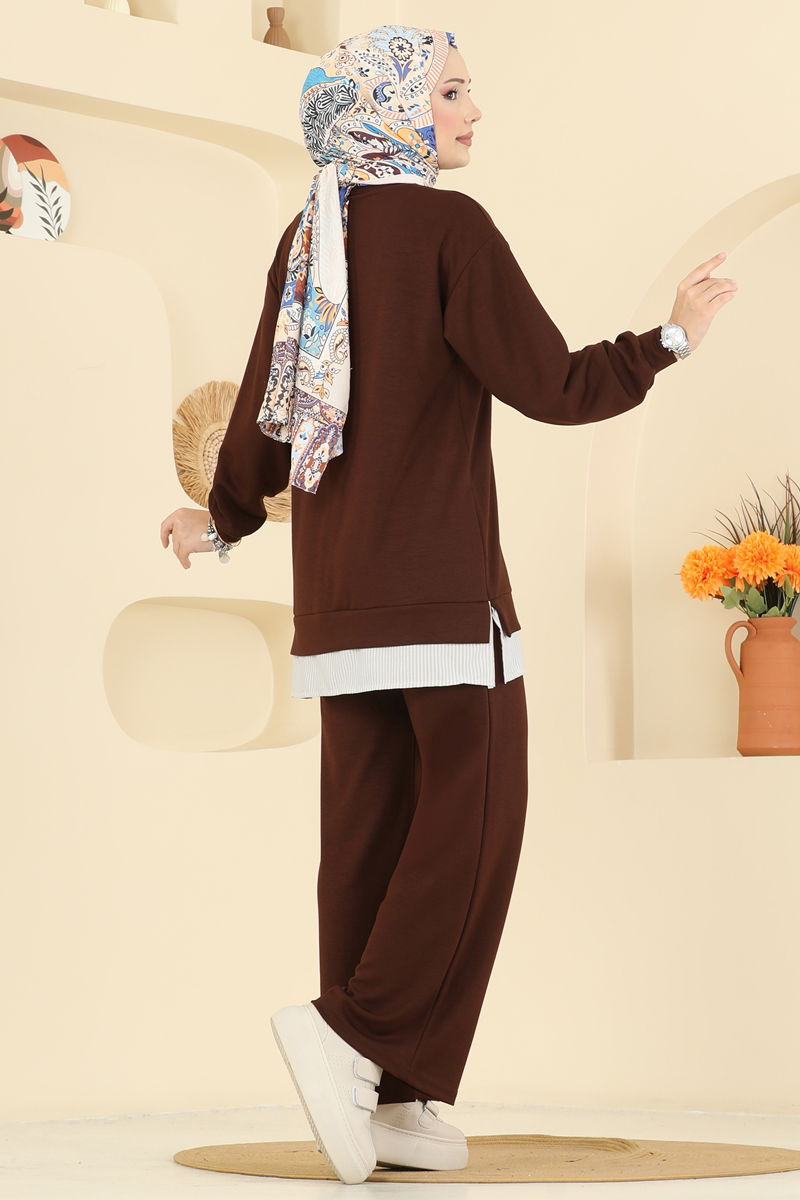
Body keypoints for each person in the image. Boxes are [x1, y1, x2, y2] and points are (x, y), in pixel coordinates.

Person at [160, 23, 738, 1185]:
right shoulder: (447, 230)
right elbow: (553, 386)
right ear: (391, 107)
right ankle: (354, 1034)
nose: (473, 112)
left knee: (366, 836)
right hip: (437, 599)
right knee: (474, 824)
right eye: (453, 92)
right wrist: (671, 337)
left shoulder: (310, 233)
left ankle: (385, 1095)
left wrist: (220, 519)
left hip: (336, 605)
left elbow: (268, 411)